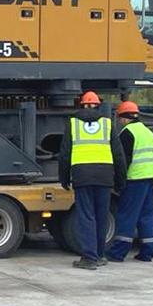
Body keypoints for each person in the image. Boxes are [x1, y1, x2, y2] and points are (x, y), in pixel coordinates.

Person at [58, 91, 126, 269]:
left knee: (86, 217)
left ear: (81, 105)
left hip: (82, 176)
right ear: (98, 105)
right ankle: (99, 255)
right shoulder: (107, 123)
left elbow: (65, 154)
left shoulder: (73, 123)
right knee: (101, 217)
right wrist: (120, 180)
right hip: (104, 176)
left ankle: (89, 258)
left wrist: (64, 178)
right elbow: (118, 155)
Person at [107, 100, 153, 262]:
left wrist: (118, 182)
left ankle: (118, 253)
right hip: (150, 178)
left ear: (123, 118)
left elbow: (123, 162)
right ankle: (148, 253)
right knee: (147, 215)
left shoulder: (127, 133)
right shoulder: (149, 133)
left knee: (127, 215)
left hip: (135, 179)